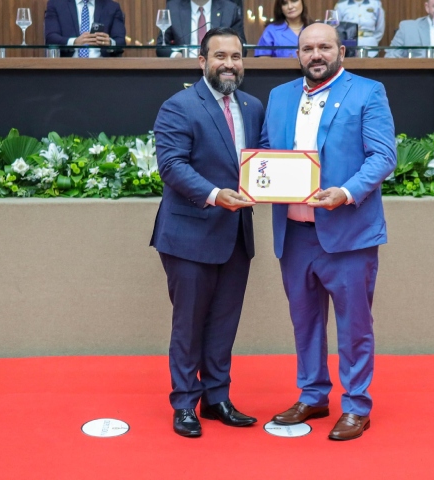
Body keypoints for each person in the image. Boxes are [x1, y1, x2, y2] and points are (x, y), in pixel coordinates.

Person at [260, 23, 396, 441]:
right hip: (295, 233)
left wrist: (347, 191)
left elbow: (383, 156)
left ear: (341, 50)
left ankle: (356, 404)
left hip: (348, 232)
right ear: (297, 54)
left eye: (324, 47)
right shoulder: (279, 97)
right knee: (305, 321)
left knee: (354, 324)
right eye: (307, 48)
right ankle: (314, 395)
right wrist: (258, 180)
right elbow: (266, 151)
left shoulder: (367, 91)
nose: (315, 54)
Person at [151, 27, 265, 438]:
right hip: (189, 235)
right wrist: (216, 195)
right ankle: (185, 402)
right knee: (189, 323)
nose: (229, 64)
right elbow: (172, 166)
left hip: (236, 234)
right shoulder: (179, 106)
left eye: (235, 56)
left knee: (223, 322)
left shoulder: (252, 106)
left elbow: (264, 162)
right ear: (202, 62)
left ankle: (216, 398)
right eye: (220, 56)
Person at [157, 0, 245, 58]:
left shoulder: (229, 9)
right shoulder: (173, 8)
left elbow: (241, 47)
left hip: (219, 70)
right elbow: (161, 46)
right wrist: (176, 55)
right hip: (184, 69)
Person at [44, 0, 126, 58]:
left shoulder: (112, 7)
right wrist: (74, 42)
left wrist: (110, 43)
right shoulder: (56, 4)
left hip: (102, 68)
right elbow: (51, 38)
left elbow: (121, 41)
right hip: (67, 67)